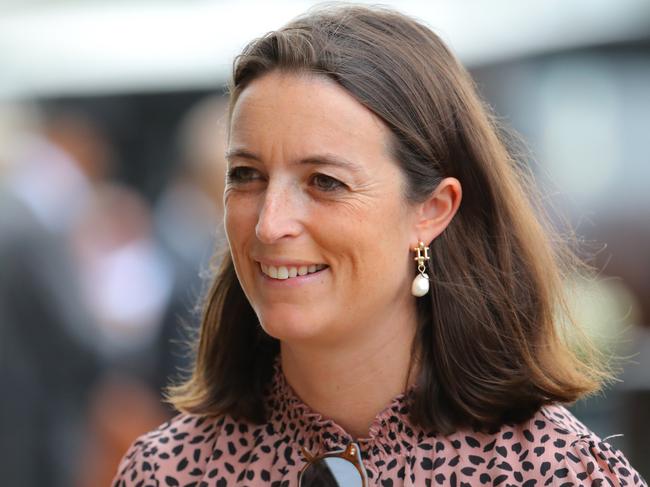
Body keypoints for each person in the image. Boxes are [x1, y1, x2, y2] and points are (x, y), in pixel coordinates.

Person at [113, 5, 646, 486]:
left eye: (324, 181)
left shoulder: (558, 474)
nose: (269, 224)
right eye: (247, 175)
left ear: (432, 210)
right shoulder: (166, 472)